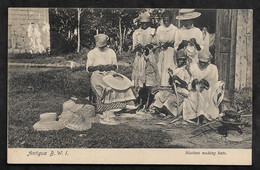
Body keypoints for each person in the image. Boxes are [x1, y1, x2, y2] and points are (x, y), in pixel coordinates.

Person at [86, 34, 136, 125]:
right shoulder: (92, 53)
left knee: (123, 82)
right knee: (105, 86)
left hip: (110, 73)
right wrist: (97, 67)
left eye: (103, 46)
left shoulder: (111, 52)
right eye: (100, 46)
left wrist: (109, 67)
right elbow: (89, 68)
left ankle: (123, 105)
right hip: (97, 73)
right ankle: (106, 107)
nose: (102, 48)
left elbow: (115, 66)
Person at [182, 49, 225, 124]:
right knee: (193, 96)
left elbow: (215, 82)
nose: (202, 64)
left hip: (209, 91)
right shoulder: (194, 67)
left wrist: (207, 83)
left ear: (209, 62)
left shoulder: (213, 68)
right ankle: (197, 116)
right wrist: (193, 83)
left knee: (214, 89)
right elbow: (189, 81)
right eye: (201, 62)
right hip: (196, 90)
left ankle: (206, 116)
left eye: (204, 63)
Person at [131, 12, 160, 110]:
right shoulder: (136, 33)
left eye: (146, 23)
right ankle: (140, 101)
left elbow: (156, 44)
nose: (144, 24)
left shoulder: (153, 31)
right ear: (140, 23)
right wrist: (138, 48)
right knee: (139, 80)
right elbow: (134, 47)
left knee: (149, 80)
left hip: (149, 57)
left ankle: (148, 102)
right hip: (140, 58)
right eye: (142, 23)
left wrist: (150, 46)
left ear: (149, 22)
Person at [152, 49, 192, 118]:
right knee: (160, 95)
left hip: (181, 91)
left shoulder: (185, 70)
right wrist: (171, 76)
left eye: (182, 60)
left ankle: (171, 113)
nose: (180, 61)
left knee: (170, 100)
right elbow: (170, 82)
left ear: (184, 60)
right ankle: (161, 111)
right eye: (179, 60)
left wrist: (178, 79)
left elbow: (186, 83)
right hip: (173, 89)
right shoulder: (176, 69)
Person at [155, 10, 178, 86]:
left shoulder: (174, 29)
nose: (166, 22)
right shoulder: (159, 29)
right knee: (161, 68)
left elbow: (177, 43)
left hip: (171, 52)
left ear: (170, 19)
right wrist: (161, 46)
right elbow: (157, 42)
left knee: (170, 67)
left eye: (168, 20)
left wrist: (169, 44)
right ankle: (162, 86)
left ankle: (170, 84)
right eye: (165, 20)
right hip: (162, 51)